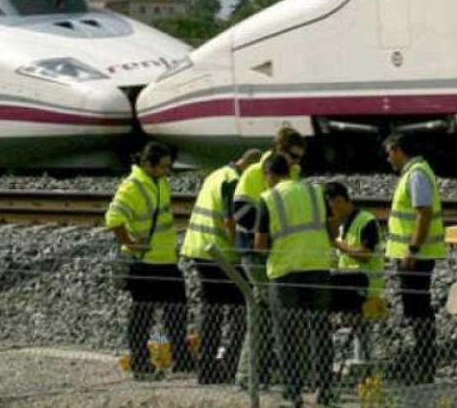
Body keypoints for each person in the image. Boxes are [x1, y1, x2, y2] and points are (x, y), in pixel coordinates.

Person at [105, 141, 193, 379]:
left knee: (177, 312)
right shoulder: (132, 187)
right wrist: (131, 243)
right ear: (148, 164)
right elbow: (113, 218)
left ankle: (182, 358)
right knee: (142, 316)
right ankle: (141, 363)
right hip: (144, 263)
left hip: (165, 260)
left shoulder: (160, 182)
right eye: (163, 166)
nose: (167, 171)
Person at [255, 152, 334, 407]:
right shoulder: (315, 191)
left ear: (269, 174)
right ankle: (325, 389)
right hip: (318, 266)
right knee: (319, 329)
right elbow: (332, 229)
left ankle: (293, 391)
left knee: (287, 333)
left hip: (285, 271)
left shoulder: (269, 198)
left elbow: (259, 244)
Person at [231, 126, 307, 387]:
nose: (296, 162)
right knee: (266, 309)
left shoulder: (294, 175)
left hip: (279, 252)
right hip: (255, 251)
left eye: (299, 158)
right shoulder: (254, 173)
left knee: (275, 311)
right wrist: (266, 232)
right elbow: (240, 212)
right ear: (279, 150)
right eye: (293, 156)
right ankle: (249, 374)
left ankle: (263, 372)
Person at [180, 147, 263, 384]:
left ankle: (206, 368)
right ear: (251, 167)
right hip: (221, 253)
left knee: (212, 309)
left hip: (200, 248)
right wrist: (242, 249)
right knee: (241, 307)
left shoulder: (217, 174)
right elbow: (230, 221)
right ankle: (232, 364)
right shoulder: (234, 181)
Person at [384, 132, 446, 385]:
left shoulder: (416, 174)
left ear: (399, 150)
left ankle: (424, 368)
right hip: (413, 254)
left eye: (389, 152)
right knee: (416, 309)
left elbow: (424, 213)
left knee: (418, 310)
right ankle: (422, 366)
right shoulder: (415, 172)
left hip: (416, 256)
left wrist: (413, 248)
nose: (388, 158)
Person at [325, 180, 384, 366]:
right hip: (350, 284)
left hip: (365, 285)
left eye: (330, 205)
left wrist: (337, 244)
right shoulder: (343, 225)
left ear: (340, 200)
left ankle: (365, 365)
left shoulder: (366, 221)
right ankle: (361, 365)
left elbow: (366, 255)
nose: (330, 210)